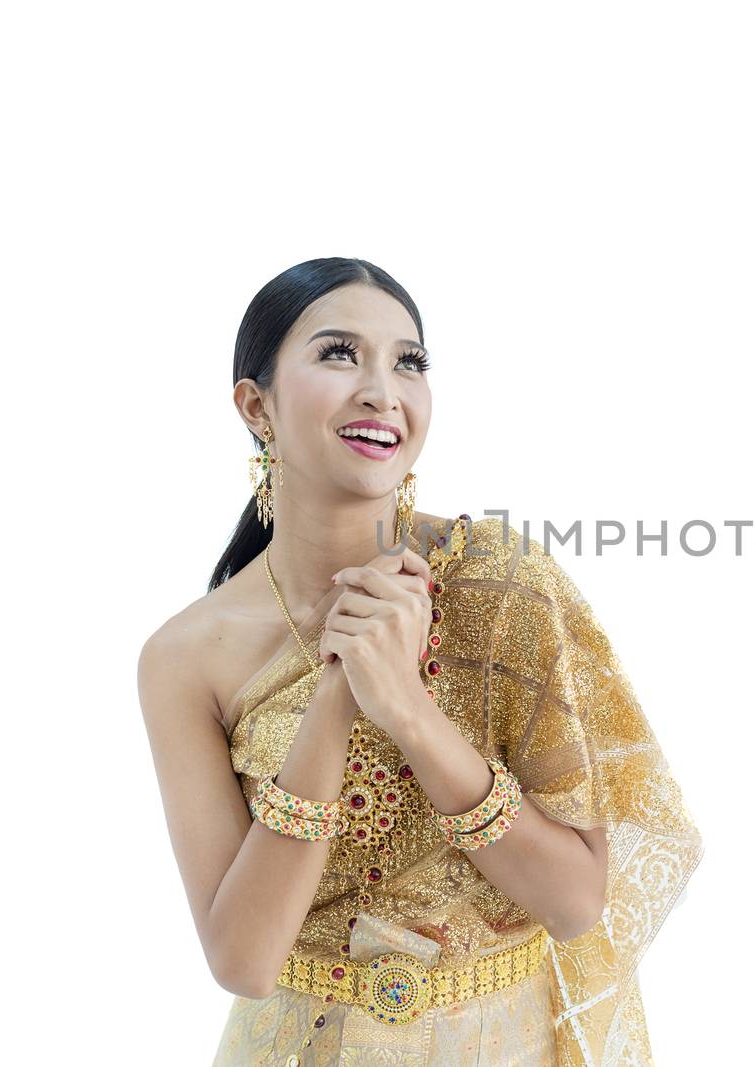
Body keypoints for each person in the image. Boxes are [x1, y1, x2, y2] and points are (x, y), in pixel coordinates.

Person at [137, 257, 704, 1066]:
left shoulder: (500, 585)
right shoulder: (185, 656)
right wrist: (339, 689)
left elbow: (577, 901)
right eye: (340, 353)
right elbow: (243, 959)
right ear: (255, 405)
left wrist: (406, 707)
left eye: (409, 361)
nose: (382, 389)